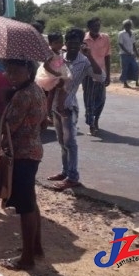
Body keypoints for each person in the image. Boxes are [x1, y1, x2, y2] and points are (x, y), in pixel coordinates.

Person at [0, 59, 46, 271]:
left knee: (25, 206)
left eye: (17, 71)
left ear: (29, 70)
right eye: (8, 71)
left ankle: (27, 258)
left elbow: (8, 127)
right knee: (31, 200)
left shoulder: (23, 95)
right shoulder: (36, 90)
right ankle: (35, 246)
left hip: (22, 155)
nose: (11, 75)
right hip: (33, 150)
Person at [48, 28, 105, 191]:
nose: (72, 46)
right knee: (61, 141)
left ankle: (73, 177)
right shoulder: (60, 58)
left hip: (69, 107)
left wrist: (90, 57)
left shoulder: (84, 62)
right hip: (55, 106)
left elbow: (100, 78)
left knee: (70, 142)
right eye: (70, 42)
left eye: (76, 43)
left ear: (81, 44)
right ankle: (65, 171)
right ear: (65, 43)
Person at [83, 17, 111, 136]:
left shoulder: (105, 38)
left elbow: (107, 56)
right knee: (89, 100)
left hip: (101, 74)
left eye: (98, 26)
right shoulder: (83, 39)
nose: (96, 28)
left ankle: (96, 120)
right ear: (89, 27)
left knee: (101, 99)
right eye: (94, 26)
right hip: (88, 74)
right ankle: (91, 124)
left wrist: (108, 76)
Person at [35, 32, 70, 126]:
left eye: (61, 42)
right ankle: (48, 112)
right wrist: (55, 74)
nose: (60, 44)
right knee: (51, 94)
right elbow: (46, 65)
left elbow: (58, 62)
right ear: (50, 44)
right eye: (57, 43)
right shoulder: (50, 53)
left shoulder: (59, 52)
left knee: (58, 92)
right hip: (51, 74)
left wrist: (63, 62)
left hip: (58, 72)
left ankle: (56, 110)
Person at [118, 19, 139, 88]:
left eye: (129, 25)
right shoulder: (121, 34)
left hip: (131, 53)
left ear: (131, 26)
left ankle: (136, 81)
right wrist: (127, 52)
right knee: (125, 68)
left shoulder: (132, 33)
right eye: (126, 25)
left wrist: (136, 52)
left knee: (136, 67)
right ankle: (125, 83)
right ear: (124, 26)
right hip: (124, 54)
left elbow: (133, 43)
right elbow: (120, 44)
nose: (128, 27)